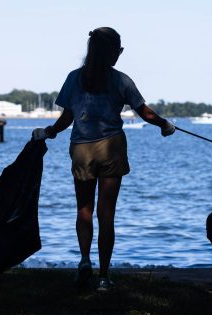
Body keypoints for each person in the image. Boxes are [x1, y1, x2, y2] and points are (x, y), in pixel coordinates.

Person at [32, 27, 175, 291]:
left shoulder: (74, 78)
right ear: (114, 52)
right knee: (106, 214)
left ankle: (84, 260)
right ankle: (104, 276)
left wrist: (49, 132)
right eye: (119, 50)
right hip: (111, 148)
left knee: (83, 209)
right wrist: (165, 124)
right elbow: (144, 112)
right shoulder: (121, 81)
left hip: (81, 150)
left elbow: (66, 118)